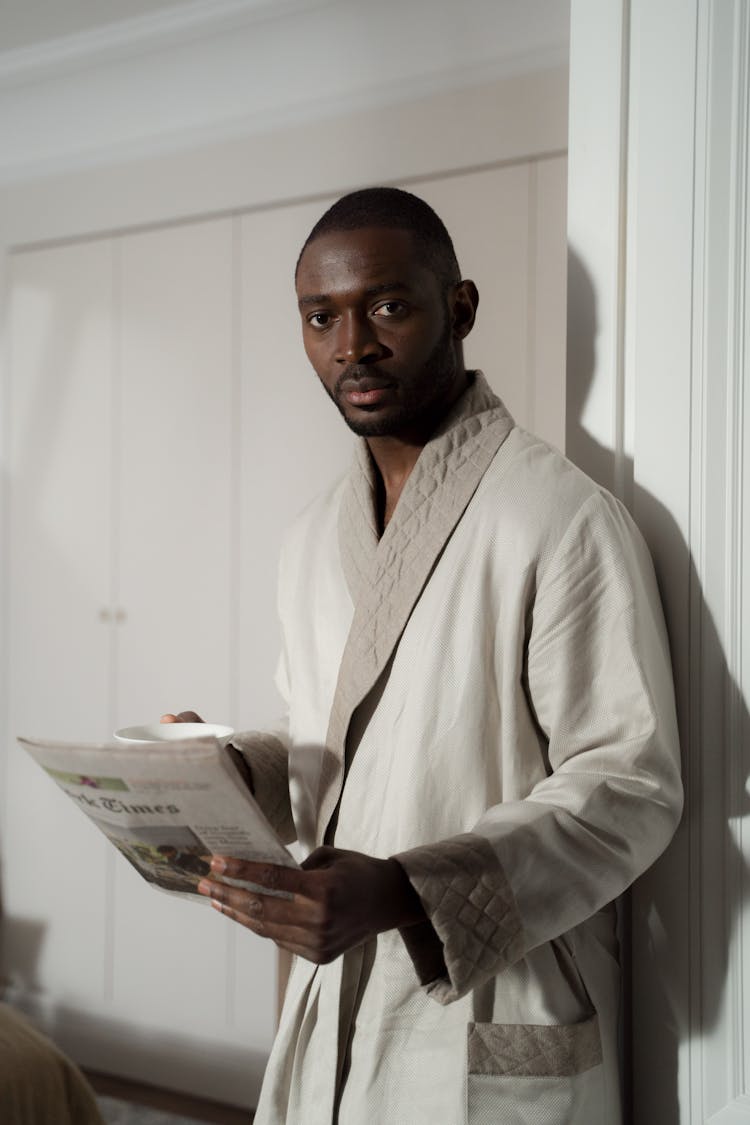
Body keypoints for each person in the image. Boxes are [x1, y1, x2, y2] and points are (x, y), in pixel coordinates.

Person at [163, 187, 683, 1124]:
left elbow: (630, 787)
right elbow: (331, 742)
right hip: (333, 997)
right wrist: (225, 771)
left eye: (388, 306)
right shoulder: (313, 535)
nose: (350, 343)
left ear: (462, 308)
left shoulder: (558, 517)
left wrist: (404, 890)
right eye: (321, 317)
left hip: (487, 1010)